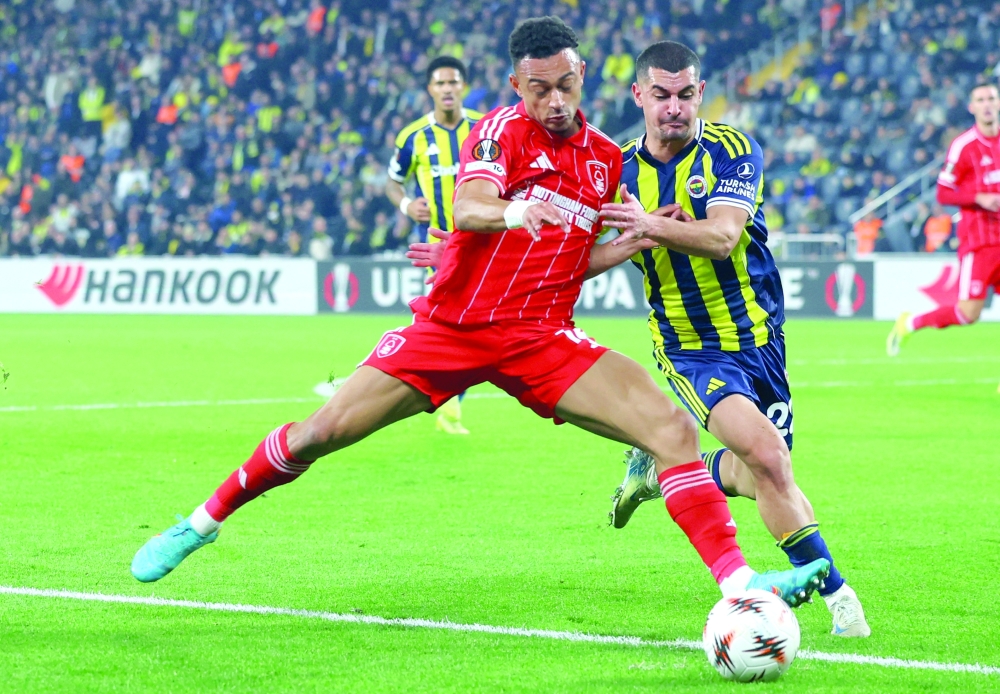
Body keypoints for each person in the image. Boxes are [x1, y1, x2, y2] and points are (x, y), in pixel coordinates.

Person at [132, 18, 828, 608]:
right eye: (539, 88)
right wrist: (512, 213)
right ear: (516, 86)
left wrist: (632, 242)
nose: (554, 101)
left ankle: (740, 586)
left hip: (543, 337)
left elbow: (571, 258)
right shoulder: (499, 133)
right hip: (453, 331)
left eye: (565, 85)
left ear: (582, 77)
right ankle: (202, 521)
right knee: (321, 432)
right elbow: (469, 206)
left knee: (671, 430)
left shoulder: (603, 161)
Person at [594, 41, 868, 637]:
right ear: (638, 95)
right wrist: (632, 239)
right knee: (769, 457)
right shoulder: (613, 171)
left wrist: (648, 224)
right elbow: (579, 262)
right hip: (689, 345)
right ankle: (840, 599)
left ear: (700, 93)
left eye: (684, 94)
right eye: (661, 95)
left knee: (757, 474)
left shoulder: (732, 150)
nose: (674, 107)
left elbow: (722, 237)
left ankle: (659, 472)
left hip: (760, 337)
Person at [384, 56, 483, 435]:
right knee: (447, 324)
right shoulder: (413, 137)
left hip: (485, 246)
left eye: (453, 82)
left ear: (463, 86)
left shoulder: (484, 129)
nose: (447, 89)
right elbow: (393, 182)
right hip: (439, 249)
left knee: (475, 325)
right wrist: (407, 205)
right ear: (430, 89)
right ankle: (438, 399)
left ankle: (447, 402)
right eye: (440, 83)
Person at [887, 83, 1000, 356]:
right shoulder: (963, 146)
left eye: (991, 98)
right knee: (967, 313)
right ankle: (910, 323)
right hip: (980, 243)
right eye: (980, 100)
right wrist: (979, 198)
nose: (986, 104)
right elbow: (943, 192)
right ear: (972, 107)